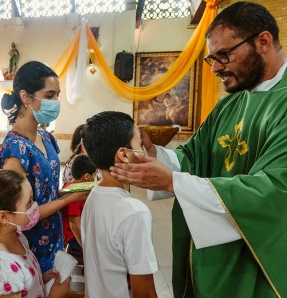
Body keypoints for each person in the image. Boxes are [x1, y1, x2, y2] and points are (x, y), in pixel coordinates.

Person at [110, 2, 287, 297]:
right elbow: (193, 157)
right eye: (211, 58)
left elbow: (276, 190)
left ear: (263, 41)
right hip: (212, 255)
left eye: (223, 55)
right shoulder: (230, 103)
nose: (216, 67)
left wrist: (171, 181)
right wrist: (154, 156)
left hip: (259, 260)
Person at [0, 61, 88, 282]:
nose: (55, 102)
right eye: (49, 95)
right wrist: (69, 200)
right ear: (26, 97)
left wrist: (72, 191)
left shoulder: (47, 138)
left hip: (52, 233)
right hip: (29, 242)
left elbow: (48, 192)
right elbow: (18, 217)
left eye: (57, 95)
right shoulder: (15, 150)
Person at [0, 169, 70, 297]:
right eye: (29, 203)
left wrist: (39, 278)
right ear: (3, 216)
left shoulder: (18, 237)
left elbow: (21, 282)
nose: (35, 207)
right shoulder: (2, 269)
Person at [81, 111, 158, 298]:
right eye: (139, 144)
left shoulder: (94, 195)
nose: (143, 151)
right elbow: (144, 291)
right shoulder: (134, 212)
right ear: (123, 154)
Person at [62, 154, 96, 253]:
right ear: (87, 176)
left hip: (82, 228)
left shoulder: (74, 184)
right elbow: (74, 225)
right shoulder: (74, 194)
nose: (95, 178)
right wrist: (86, 247)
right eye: (94, 175)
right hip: (73, 237)